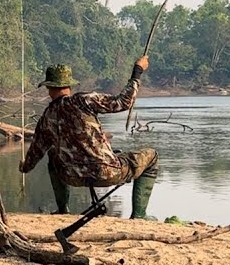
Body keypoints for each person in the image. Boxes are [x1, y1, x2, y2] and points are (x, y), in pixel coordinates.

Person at [19, 57, 160, 227]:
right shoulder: (83, 100)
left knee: (53, 155)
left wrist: (24, 166)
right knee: (151, 157)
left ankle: (63, 209)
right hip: (106, 173)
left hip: (71, 176)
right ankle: (139, 215)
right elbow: (124, 102)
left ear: (49, 88)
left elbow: (35, 154)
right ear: (69, 85)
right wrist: (137, 72)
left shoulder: (47, 116)